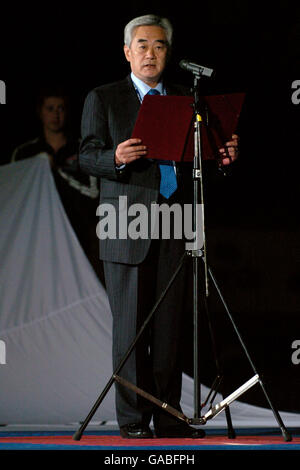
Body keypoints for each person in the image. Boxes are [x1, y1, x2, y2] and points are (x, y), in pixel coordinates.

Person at [79, 14, 239, 439]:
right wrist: (115, 156)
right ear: (128, 52)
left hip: (176, 225)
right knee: (130, 333)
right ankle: (133, 421)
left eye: (160, 46)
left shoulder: (190, 98)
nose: (151, 53)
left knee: (170, 330)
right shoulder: (104, 98)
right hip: (126, 227)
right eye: (143, 45)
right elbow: (86, 156)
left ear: (168, 52)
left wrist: (223, 158)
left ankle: (168, 416)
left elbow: (202, 163)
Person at [11, 87, 103, 281]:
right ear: (40, 112)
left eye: (60, 108)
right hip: (37, 237)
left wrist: (57, 171)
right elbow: (15, 198)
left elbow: (93, 193)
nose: (56, 114)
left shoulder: (83, 149)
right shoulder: (25, 153)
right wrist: (40, 165)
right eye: (50, 108)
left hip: (79, 235)